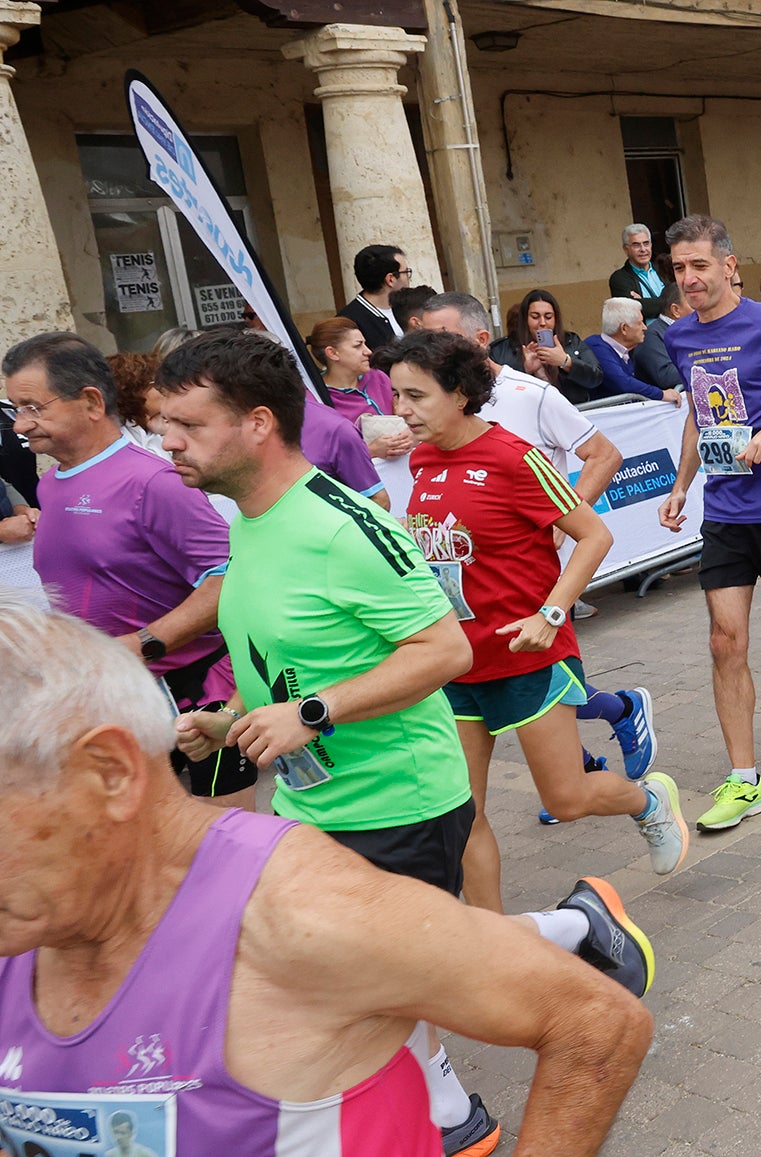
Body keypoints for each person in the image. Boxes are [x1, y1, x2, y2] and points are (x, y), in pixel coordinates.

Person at [153, 329, 670, 1155]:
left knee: (379, 975)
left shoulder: (341, 526)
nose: (167, 441)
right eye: (160, 423)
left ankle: (456, 1104)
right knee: (377, 966)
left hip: (398, 795)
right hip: (314, 791)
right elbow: (297, 657)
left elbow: (444, 649)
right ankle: (573, 930)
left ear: (255, 423)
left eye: (185, 423)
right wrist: (233, 722)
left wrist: (311, 714)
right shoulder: (251, 521)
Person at [0, 598, 658, 1157]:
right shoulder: (27, 922)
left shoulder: (299, 912)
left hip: (399, 802)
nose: (171, 438)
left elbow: (595, 1019)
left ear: (109, 773)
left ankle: (578, 919)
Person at [379, 328, 688, 911]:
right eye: (397, 396)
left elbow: (595, 535)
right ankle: (491, 943)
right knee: (462, 811)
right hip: (456, 662)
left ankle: (646, 801)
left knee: (566, 799)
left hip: (529, 655)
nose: (402, 411)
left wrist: (550, 613)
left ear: (459, 393)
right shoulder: (421, 459)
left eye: (416, 396)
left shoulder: (514, 456)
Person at [411, 293, 657, 795]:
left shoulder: (532, 396)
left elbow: (604, 455)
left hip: (531, 586)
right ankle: (588, 752)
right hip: (465, 620)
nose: (432, 348)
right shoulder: (427, 434)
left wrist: (556, 520)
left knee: (550, 708)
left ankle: (609, 738)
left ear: (479, 341)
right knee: (472, 797)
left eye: (444, 338)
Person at [4, 333, 248, 808]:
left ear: (92, 402)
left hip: (191, 699)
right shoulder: (52, 483)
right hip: (109, 698)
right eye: (15, 408)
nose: (20, 425)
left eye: (33, 407)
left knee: (220, 850)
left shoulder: (153, 481)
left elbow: (230, 576)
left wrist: (144, 644)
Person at [656, 214, 761, 831]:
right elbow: (697, 411)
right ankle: (744, 778)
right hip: (725, 511)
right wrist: (681, 484)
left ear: (728, 266)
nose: (688, 279)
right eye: (679, 268)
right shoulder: (680, 337)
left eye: (698, 266)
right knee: (724, 642)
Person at [307, 318, 406, 457]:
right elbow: (319, 453)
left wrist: (408, 436)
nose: (368, 351)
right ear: (333, 353)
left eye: (365, 344)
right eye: (358, 346)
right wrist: (370, 451)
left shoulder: (378, 378)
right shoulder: (315, 398)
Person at [490, 289, 604, 406]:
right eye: (535, 317)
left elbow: (596, 377)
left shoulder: (571, 340)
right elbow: (493, 392)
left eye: (548, 317)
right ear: (525, 319)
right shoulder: (500, 349)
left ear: (556, 319)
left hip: (571, 412)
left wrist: (566, 362)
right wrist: (524, 370)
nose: (542, 322)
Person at [586, 297, 679, 402]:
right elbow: (624, 383)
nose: (645, 327)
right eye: (640, 323)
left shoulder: (624, 351)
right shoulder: (596, 348)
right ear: (624, 328)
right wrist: (661, 394)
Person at [336, 243, 410, 349]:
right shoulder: (348, 323)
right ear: (391, 279)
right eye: (406, 272)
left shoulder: (408, 306)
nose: (408, 278)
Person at [609, 223, 674, 319]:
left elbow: (683, 298)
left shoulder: (665, 267)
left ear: (651, 245)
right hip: (646, 333)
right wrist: (669, 302)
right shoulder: (619, 278)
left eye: (646, 243)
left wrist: (643, 302)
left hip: (677, 330)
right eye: (636, 245)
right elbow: (631, 311)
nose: (643, 249)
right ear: (626, 249)